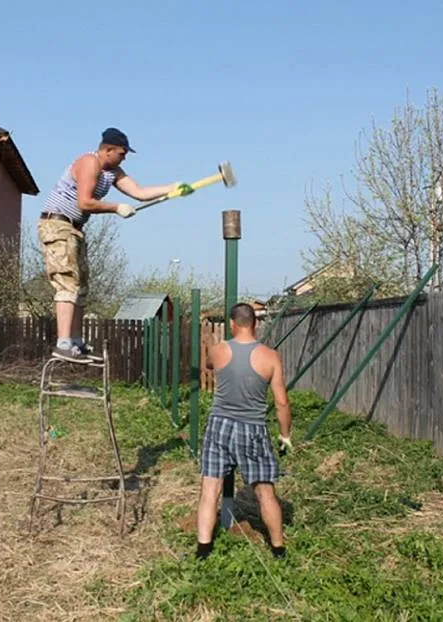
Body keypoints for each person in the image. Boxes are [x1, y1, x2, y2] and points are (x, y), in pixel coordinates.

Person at [38, 127, 193, 363]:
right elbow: (86, 202)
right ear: (108, 149)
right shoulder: (89, 163)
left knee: (80, 286)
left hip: (75, 229)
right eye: (122, 153)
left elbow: (139, 192)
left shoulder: (113, 171)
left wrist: (173, 188)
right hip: (57, 225)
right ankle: (63, 344)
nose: (124, 157)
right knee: (66, 281)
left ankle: (77, 343)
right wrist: (116, 208)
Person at [195, 302, 292, 560]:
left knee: (209, 488)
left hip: (219, 426)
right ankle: (278, 548)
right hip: (253, 429)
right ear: (256, 324)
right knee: (264, 491)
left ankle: (203, 549)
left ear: (231, 324)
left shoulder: (218, 350)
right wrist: (285, 435)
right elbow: (282, 402)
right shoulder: (271, 357)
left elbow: (208, 366)